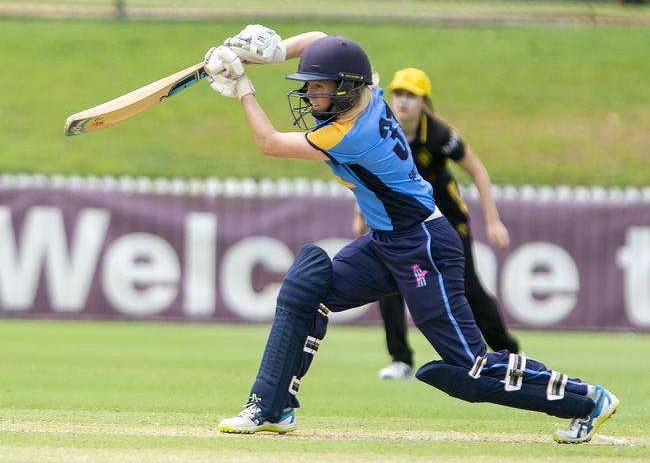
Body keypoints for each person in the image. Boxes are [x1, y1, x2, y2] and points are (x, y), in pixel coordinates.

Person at [202, 25, 618, 444]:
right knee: (308, 287)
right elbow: (322, 39)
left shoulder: (349, 136)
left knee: (471, 366)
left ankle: (587, 399)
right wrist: (275, 52)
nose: (309, 94)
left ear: (346, 89)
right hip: (387, 241)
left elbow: (269, 143)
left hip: (425, 245)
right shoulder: (372, 91)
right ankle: (271, 406)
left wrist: (242, 85)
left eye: (318, 87)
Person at [353, 67, 519, 380]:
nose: (402, 101)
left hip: (448, 223)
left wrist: (493, 221)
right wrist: (360, 215)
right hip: (403, 223)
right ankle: (400, 359)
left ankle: (509, 354)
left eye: (411, 95)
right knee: (389, 284)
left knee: (469, 289)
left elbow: (479, 171)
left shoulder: (439, 135)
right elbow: (365, 176)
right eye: (398, 93)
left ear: (424, 102)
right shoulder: (382, 130)